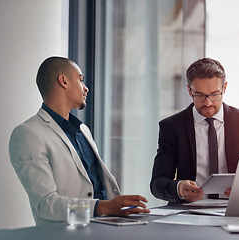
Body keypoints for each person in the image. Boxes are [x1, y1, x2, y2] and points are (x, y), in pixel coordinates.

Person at [9, 56, 150, 225]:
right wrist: (102, 207)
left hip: (108, 226)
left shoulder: (83, 130)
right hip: (67, 233)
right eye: (81, 80)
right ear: (63, 81)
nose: (86, 88)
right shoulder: (28, 133)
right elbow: (45, 203)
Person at [150, 57, 239, 203]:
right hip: (189, 211)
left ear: (224, 88)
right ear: (189, 91)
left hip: (236, 206)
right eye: (200, 95)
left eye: (215, 94)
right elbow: (157, 183)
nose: (208, 103)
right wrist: (179, 188)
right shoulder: (171, 127)